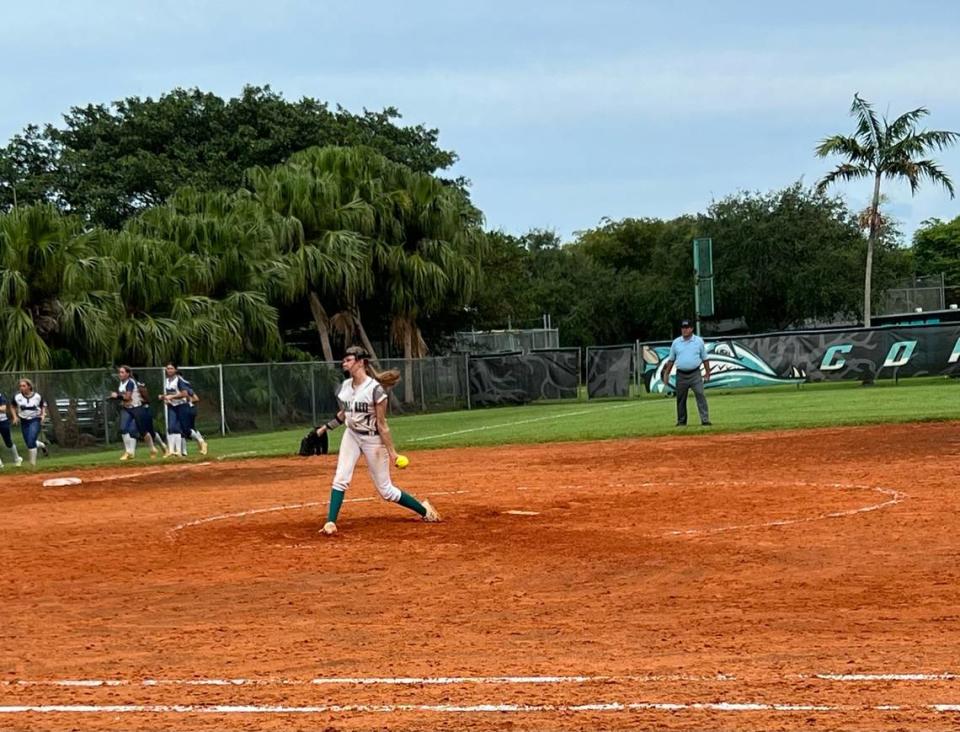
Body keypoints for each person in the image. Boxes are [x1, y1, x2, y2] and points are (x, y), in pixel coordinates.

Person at [315, 345, 440, 535]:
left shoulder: (376, 391)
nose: (344, 363)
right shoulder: (345, 388)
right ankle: (330, 522)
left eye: (348, 359)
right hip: (352, 435)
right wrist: (325, 428)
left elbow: (382, 425)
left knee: (386, 490)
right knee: (341, 478)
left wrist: (392, 453)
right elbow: (344, 414)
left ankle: (425, 511)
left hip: (373, 440)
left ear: (361, 362)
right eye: (345, 359)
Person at [660, 319, 712, 427]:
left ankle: (705, 419)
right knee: (680, 398)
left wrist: (707, 372)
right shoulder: (676, 342)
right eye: (683, 328)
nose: (684, 330)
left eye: (687, 327)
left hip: (695, 373)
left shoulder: (698, 341)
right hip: (681, 374)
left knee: (700, 394)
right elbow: (671, 360)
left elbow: (705, 358)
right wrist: (666, 373)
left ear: (692, 329)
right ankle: (681, 421)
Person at [109, 365, 156, 460]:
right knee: (123, 429)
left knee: (143, 432)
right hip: (127, 408)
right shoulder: (122, 383)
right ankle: (128, 452)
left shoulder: (130, 382)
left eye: (122, 372)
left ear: (127, 373)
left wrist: (117, 396)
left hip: (137, 408)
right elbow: (124, 397)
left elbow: (128, 397)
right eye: (119, 372)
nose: (120, 374)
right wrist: (115, 397)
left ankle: (152, 448)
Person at [11, 378, 49, 466]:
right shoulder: (17, 396)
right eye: (20, 386)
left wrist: (43, 415)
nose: (21, 388)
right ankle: (42, 445)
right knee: (29, 442)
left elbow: (43, 405)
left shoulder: (37, 396)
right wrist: (15, 417)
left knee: (31, 440)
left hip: (35, 419)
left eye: (24, 386)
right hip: (24, 421)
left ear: (29, 386)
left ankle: (32, 465)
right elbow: (12, 406)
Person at [158, 363, 191, 458]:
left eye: (171, 368)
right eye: (167, 368)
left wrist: (172, 396)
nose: (169, 370)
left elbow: (184, 393)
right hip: (172, 405)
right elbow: (169, 393)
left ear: (176, 370)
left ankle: (179, 451)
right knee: (171, 428)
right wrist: (164, 397)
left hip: (181, 405)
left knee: (179, 428)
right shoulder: (167, 380)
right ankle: (171, 451)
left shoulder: (179, 380)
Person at [132, 373, 167, 457]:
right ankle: (162, 446)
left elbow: (147, 398)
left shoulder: (138, 386)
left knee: (145, 431)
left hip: (143, 408)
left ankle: (154, 449)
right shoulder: (129, 386)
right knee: (149, 431)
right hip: (138, 409)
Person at [177, 385, 208, 456]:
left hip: (188, 410)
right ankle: (185, 451)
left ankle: (201, 442)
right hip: (186, 409)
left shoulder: (184, 388)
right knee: (189, 429)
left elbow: (196, 398)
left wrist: (187, 400)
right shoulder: (176, 388)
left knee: (185, 429)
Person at [0, 390, 23, 468]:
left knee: (8, 443)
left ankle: (17, 459)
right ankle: (0, 464)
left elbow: (3, 409)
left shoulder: (0, 396)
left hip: (2, 422)